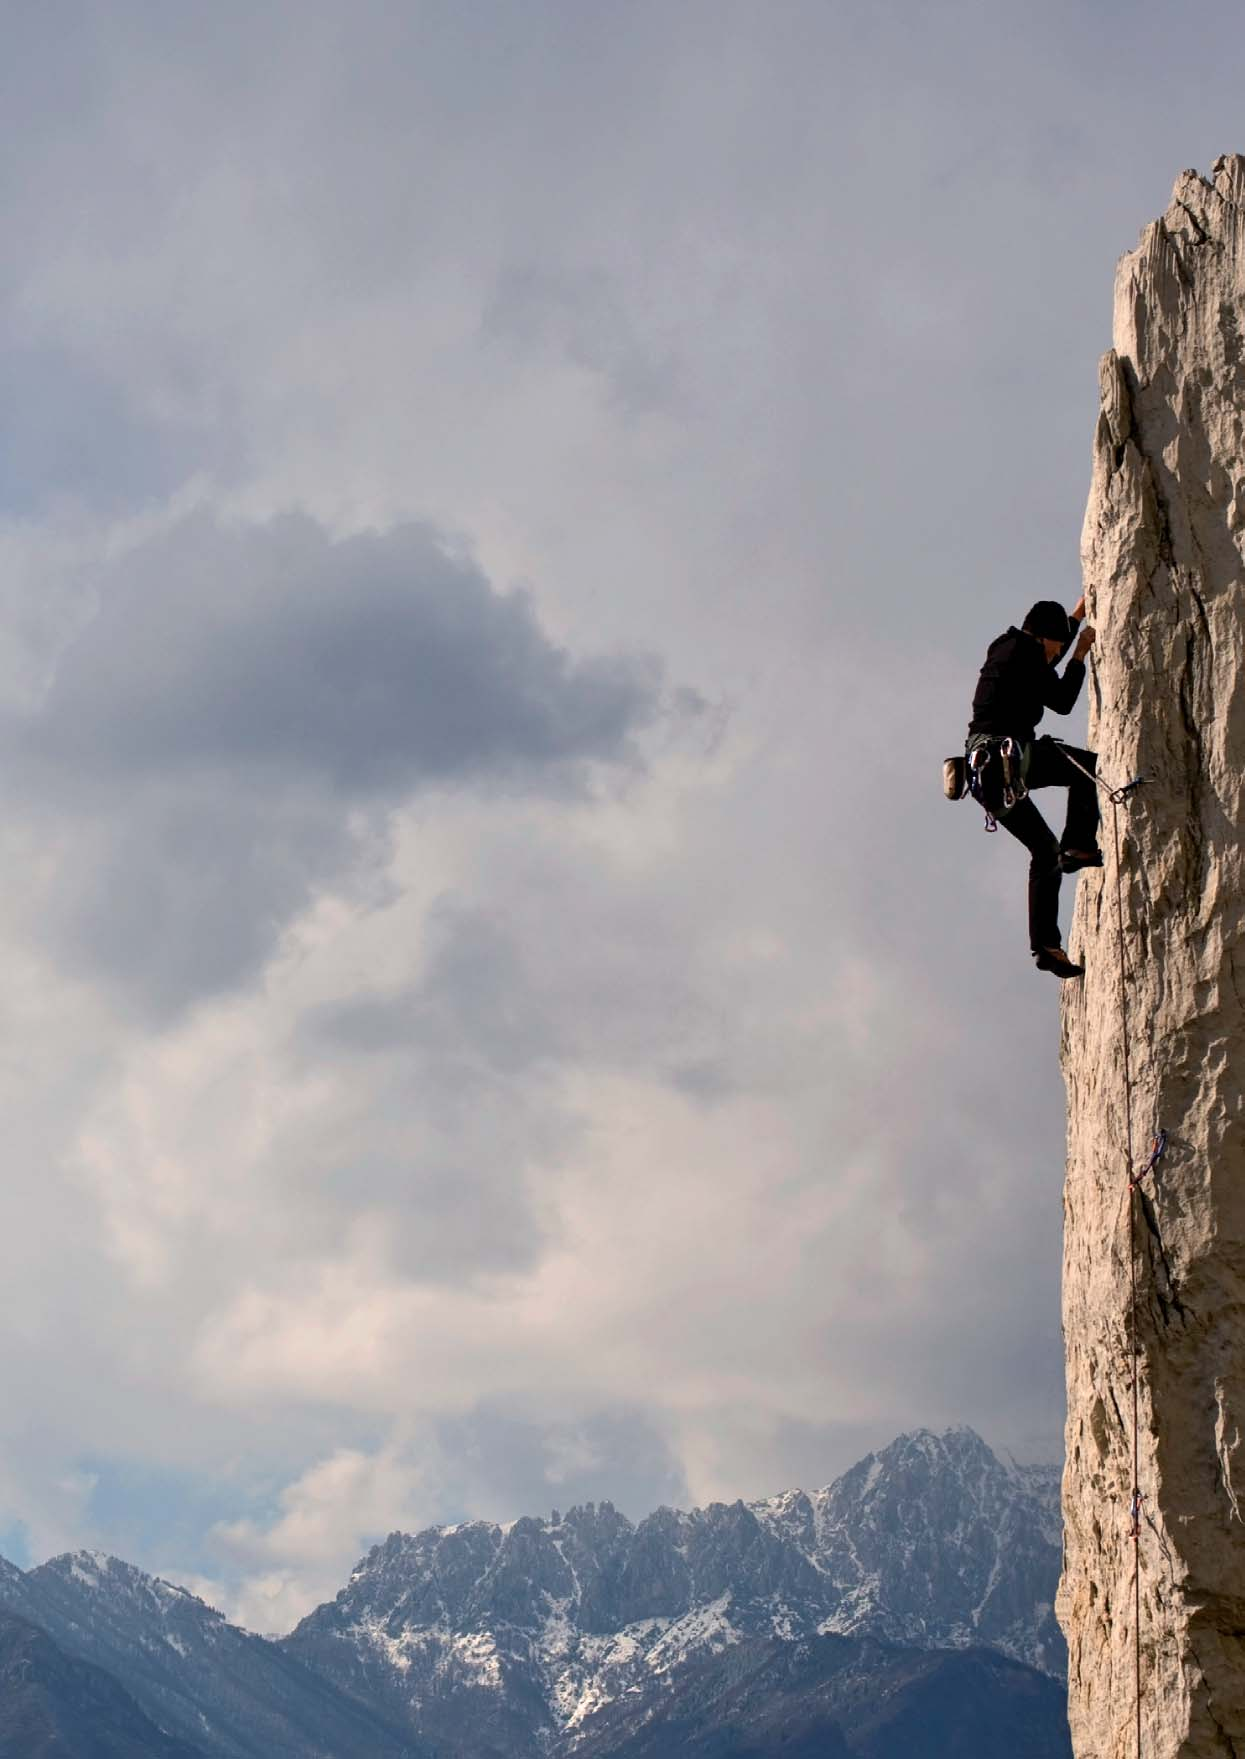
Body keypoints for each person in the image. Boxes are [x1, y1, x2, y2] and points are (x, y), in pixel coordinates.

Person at [967, 596, 1099, 979]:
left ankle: (1045, 947)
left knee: (1043, 851)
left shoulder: (1007, 647)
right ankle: (1079, 845)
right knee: (1086, 767)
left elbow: (1043, 666)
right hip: (1010, 759)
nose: (1058, 652)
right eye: (1056, 644)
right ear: (1044, 638)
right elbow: (1060, 700)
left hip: (986, 775)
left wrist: (1074, 618)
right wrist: (1080, 655)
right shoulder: (1028, 655)